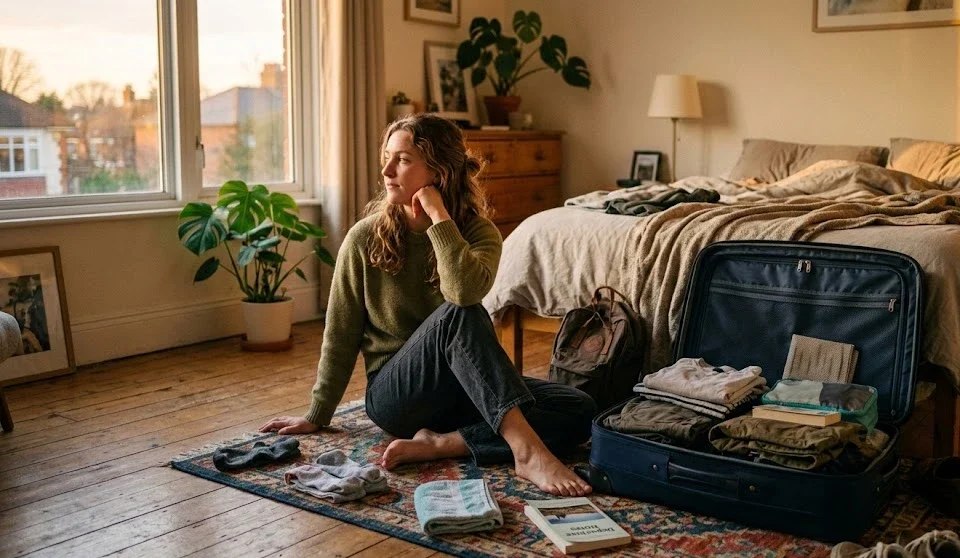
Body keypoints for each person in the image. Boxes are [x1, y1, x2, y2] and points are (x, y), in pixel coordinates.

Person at [260, 114, 596, 496]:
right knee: (460, 314)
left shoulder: (478, 233)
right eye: (387, 157)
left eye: (402, 160)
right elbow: (340, 334)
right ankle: (526, 450)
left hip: (463, 394)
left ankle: (442, 443)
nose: (387, 170)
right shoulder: (364, 238)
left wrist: (439, 218)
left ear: (440, 170)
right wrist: (316, 414)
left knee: (580, 409)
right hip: (397, 397)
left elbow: (464, 287)